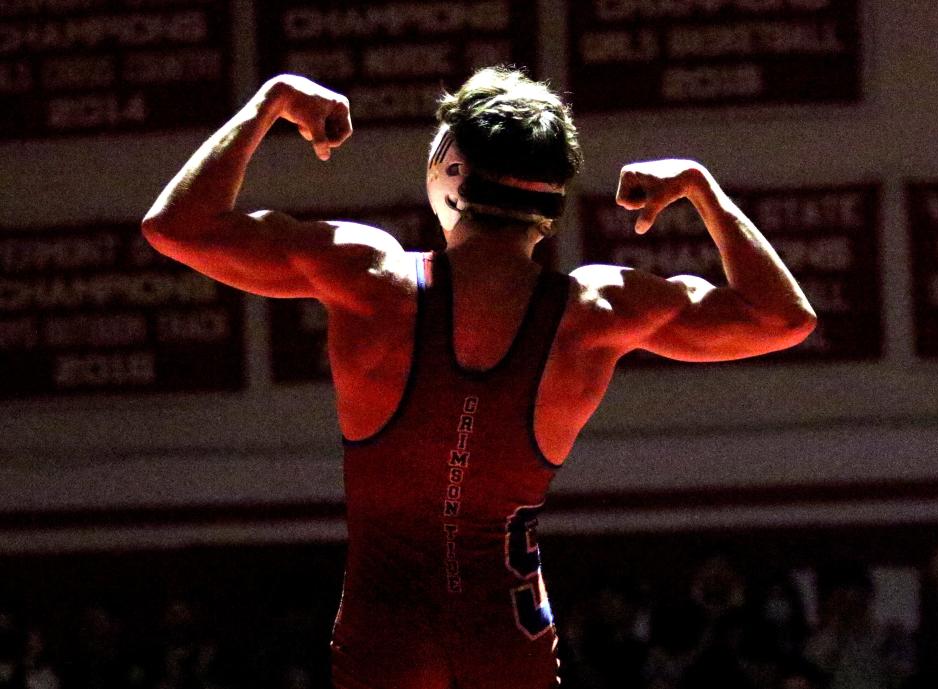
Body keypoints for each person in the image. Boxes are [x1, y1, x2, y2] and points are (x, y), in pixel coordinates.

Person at [142, 66, 816, 689]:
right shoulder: (594, 310)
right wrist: (701, 188)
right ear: (549, 202)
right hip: (507, 635)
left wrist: (271, 103)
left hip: (387, 631)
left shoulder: (371, 278)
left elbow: (176, 226)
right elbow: (782, 318)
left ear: (451, 172)